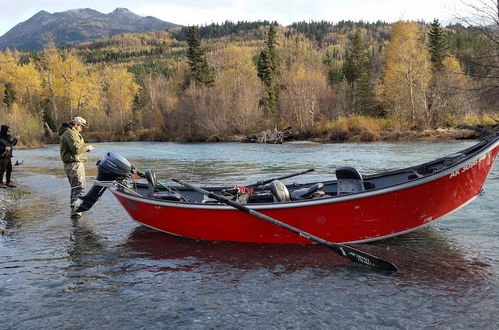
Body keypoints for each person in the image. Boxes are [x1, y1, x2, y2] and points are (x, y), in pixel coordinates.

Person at [59, 117, 94, 219]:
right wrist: (87, 147)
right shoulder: (70, 133)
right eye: (81, 126)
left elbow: (76, 148)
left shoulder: (70, 132)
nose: (82, 129)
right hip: (74, 164)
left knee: (77, 186)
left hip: (74, 163)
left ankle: (76, 209)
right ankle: (75, 211)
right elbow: (76, 149)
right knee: (78, 186)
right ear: (77, 124)